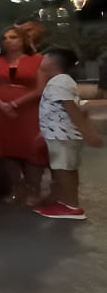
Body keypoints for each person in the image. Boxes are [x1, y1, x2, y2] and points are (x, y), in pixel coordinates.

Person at [0, 24, 46, 204]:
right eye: (5, 38)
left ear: (22, 40)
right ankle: (16, 187)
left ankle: (34, 188)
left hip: (28, 111)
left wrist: (15, 103)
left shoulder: (38, 60)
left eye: (13, 37)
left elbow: (40, 88)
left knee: (31, 148)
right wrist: (1, 104)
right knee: (5, 148)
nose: (8, 41)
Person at [36, 48, 100, 220]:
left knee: (64, 169)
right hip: (58, 134)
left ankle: (71, 206)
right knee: (65, 168)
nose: (41, 59)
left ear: (54, 61)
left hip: (62, 136)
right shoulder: (59, 81)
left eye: (45, 57)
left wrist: (88, 133)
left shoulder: (59, 81)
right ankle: (66, 202)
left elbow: (71, 110)